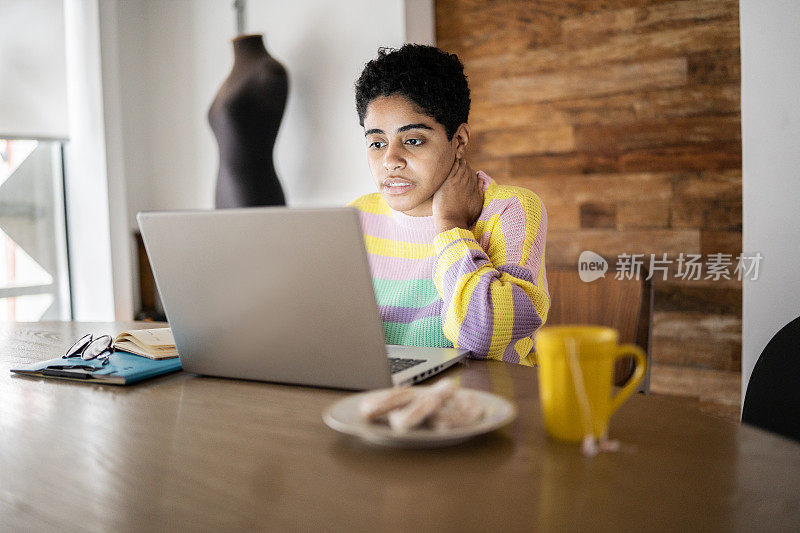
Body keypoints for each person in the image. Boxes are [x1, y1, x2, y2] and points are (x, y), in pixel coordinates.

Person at [350, 44, 549, 366]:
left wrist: (451, 225)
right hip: (382, 397)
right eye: (377, 143)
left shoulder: (510, 209)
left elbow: (482, 338)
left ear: (459, 140)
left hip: (484, 399)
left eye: (413, 140)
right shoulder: (357, 216)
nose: (390, 161)